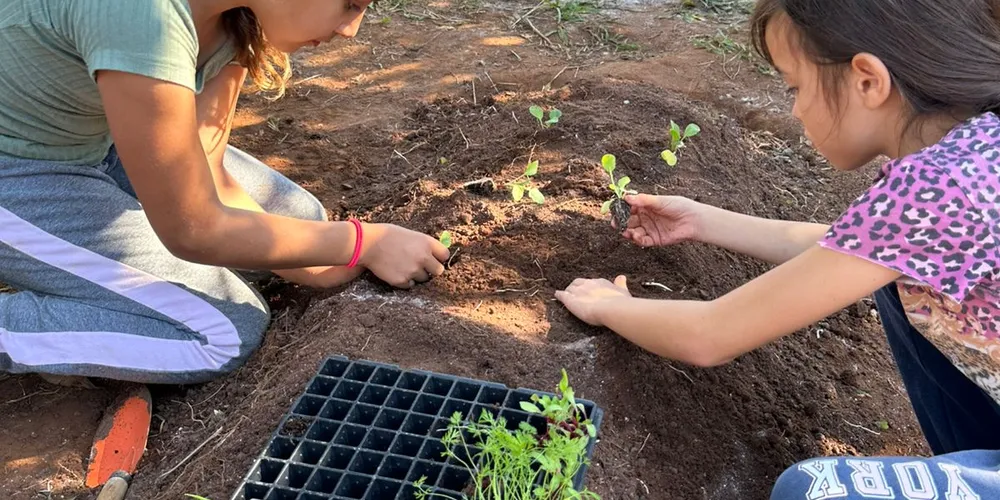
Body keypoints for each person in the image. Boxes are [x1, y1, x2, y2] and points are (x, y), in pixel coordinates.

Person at [556, 0, 1000, 497]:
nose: (794, 108)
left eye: (795, 86)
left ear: (868, 80)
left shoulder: (941, 185)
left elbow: (710, 335)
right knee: (904, 281)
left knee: (811, 490)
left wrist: (612, 307)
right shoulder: (971, 150)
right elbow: (858, 255)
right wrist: (703, 220)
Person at [0, 0, 449, 386]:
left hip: (97, 141)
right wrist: (362, 243)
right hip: (17, 173)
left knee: (301, 221)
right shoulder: (142, 17)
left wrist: (323, 259)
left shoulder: (234, 17)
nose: (350, 30)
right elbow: (194, 230)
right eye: (350, 4)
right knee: (223, 332)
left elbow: (209, 174)